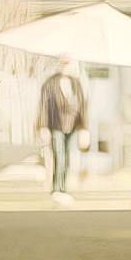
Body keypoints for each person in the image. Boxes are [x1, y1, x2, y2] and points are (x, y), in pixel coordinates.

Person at [37, 61, 90, 203]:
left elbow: (82, 106)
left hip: (71, 126)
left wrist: (84, 128)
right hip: (56, 125)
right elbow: (44, 105)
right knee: (59, 157)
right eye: (65, 64)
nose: (68, 67)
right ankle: (56, 189)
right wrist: (43, 126)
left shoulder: (76, 84)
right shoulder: (51, 83)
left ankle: (62, 188)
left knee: (66, 158)